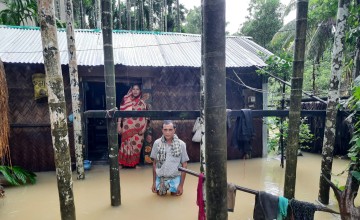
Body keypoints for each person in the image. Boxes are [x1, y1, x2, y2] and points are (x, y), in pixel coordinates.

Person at [150, 120, 189, 196]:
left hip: (175, 177)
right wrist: (154, 182)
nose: (167, 132)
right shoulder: (157, 143)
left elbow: (184, 165)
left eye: (170, 130)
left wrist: (181, 185)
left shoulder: (181, 144)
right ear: (162, 130)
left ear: (174, 130)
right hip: (160, 177)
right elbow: (154, 163)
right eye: (165, 130)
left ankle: (176, 185)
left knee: (175, 197)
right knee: (160, 197)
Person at [117, 84, 148, 168]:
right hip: (127, 127)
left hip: (139, 129)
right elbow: (120, 114)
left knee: (136, 146)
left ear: (140, 91)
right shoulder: (126, 101)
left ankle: (135, 164)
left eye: (137, 89)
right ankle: (122, 163)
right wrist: (119, 125)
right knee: (125, 145)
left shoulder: (143, 103)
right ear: (131, 90)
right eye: (133, 89)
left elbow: (146, 117)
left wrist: (144, 128)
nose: (135, 91)